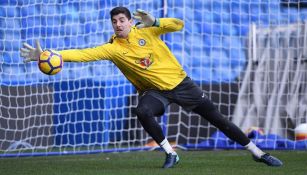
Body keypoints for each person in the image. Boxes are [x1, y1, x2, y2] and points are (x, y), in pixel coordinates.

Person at [20, 6, 283, 168]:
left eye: (122, 20)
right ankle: (170, 154)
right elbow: (84, 53)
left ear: (130, 22)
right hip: (155, 92)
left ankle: (258, 153)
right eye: (115, 21)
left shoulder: (148, 32)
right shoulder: (113, 49)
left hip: (182, 84)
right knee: (143, 111)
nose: (119, 24)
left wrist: (155, 21)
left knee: (219, 120)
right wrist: (49, 55)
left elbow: (179, 25)